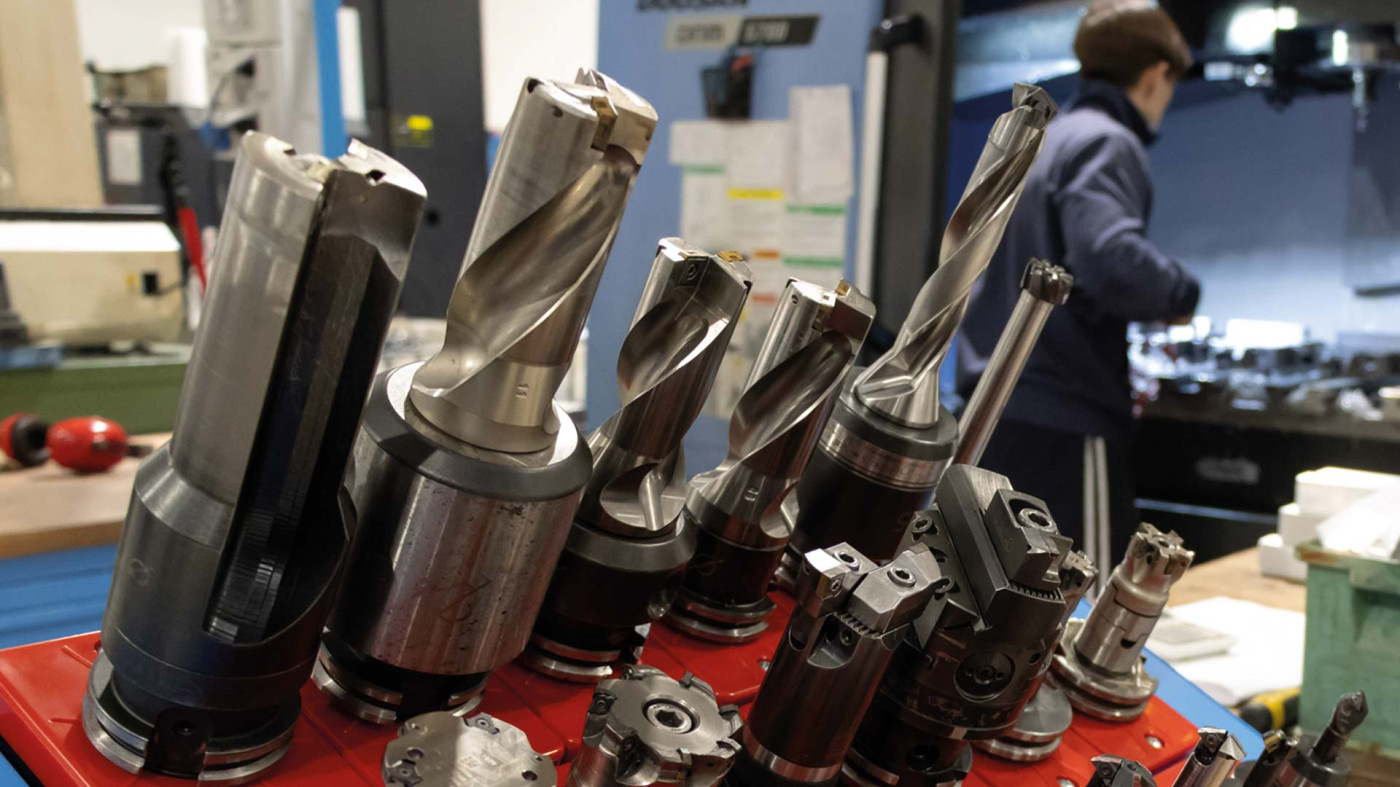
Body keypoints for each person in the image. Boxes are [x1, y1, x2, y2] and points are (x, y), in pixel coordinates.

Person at [956, 0, 1201, 566]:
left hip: (997, 406)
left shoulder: (1049, 138)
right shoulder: (1106, 141)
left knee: (993, 589)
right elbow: (1110, 258)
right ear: (1156, 73)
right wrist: (1180, 293)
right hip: (1062, 416)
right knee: (1075, 592)